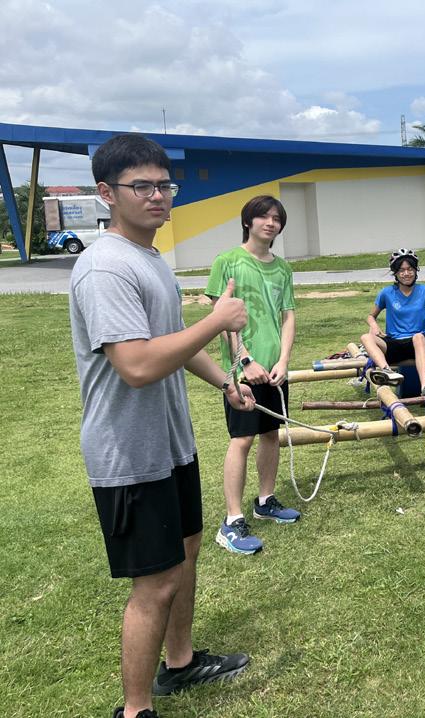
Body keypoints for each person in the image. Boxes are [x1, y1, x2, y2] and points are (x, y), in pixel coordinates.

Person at [69, 134, 254, 718]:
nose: (157, 196)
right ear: (107, 193)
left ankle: (181, 662)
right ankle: (135, 709)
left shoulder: (149, 259)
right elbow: (138, 364)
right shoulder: (104, 266)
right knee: (155, 583)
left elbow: (169, 342)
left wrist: (224, 381)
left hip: (170, 444)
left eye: (164, 185)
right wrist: (217, 320)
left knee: (186, 553)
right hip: (129, 453)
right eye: (141, 186)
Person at [205, 195, 299, 556]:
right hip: (243, 373)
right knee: (242, 440)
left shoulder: (283, 269)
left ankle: (265, 501)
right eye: (264, 216)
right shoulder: (227, 261)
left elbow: (287, 316)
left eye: (277, 218)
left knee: (271, 435)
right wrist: (245, 361)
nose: (271, 223)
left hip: (274, 371)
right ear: (248, 221)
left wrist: (284, 360)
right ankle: (232, 520)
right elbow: (220, 318)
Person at [359, 248, 425, 395]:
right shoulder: (386, 293)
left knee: (418, 337)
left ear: (416, 270)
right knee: (365, 337)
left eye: (410, 269)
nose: (406, 273)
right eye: (401, 270)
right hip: (394, 343)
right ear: (395, 273)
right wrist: (374, 325)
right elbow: (370, 316)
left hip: (418, 344)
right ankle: (387, 372)